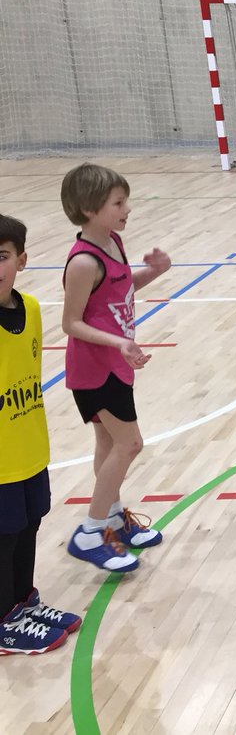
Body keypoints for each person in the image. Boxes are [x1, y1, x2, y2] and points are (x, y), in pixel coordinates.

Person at [61, 163, 171, 572]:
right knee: (130, 444)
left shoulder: (113, 243)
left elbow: (119, 290)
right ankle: (89, 533)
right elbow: (70, 323)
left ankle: (111, 519)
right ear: (90, 209)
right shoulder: (83, 262)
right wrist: (120, 341)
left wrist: (153, 272)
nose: (127, 209)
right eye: (118, 203)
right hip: (94, 369)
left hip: (115, 364)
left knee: (108, 446)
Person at [0, 215, 81, 654]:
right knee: (4, 534)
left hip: (29, 443)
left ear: (22, 260)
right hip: (0, 459)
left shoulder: (30, 308)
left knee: (30, 523)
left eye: (2, 256)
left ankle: (22, 602)